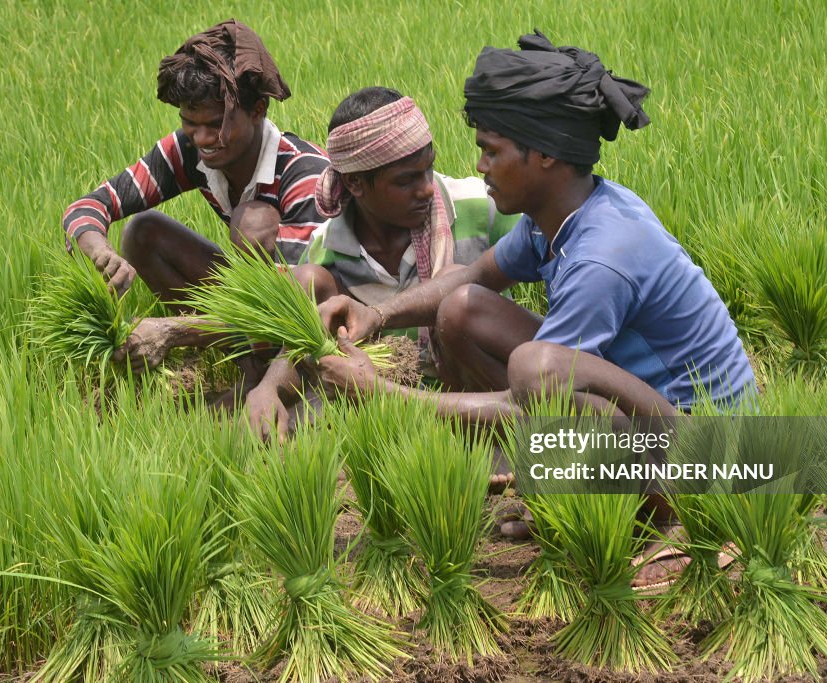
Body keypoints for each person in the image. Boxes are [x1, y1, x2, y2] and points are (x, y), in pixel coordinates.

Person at [312, 33, 757, 581]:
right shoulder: (561, 216)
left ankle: (665, 524)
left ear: (544, 154)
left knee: (537, 368)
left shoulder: (601, 259)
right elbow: (473, 276)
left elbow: (531, 399)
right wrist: (376, 316)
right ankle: (543, 483)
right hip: (650, 419)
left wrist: (381, 394)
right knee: (463, 307)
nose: (479, 166)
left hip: (709, 453)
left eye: (492, 151)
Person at [243, 86, 519, 440]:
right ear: (356, 183)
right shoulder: (327, 248)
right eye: (406, 180)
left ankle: (481, 441)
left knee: (456, 285)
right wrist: (268, 387)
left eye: (428, 169)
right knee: (308, 280)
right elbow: (299, 342)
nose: (427, 189)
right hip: (386, 403)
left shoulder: (478, 208)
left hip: (478, 400)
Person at [62, 19, 328, 306]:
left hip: (323, 300)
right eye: (189, 123)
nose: (201, 139)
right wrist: (101, 252)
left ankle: (231, 341)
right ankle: (225, 341)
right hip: (264, 294)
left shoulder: (303, 175)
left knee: (251, 222)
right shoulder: (189, 149)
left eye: (216, 125)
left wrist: (173, 334)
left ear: (257, 110)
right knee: (143, 232)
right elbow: (90, 205)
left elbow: (305, 293)